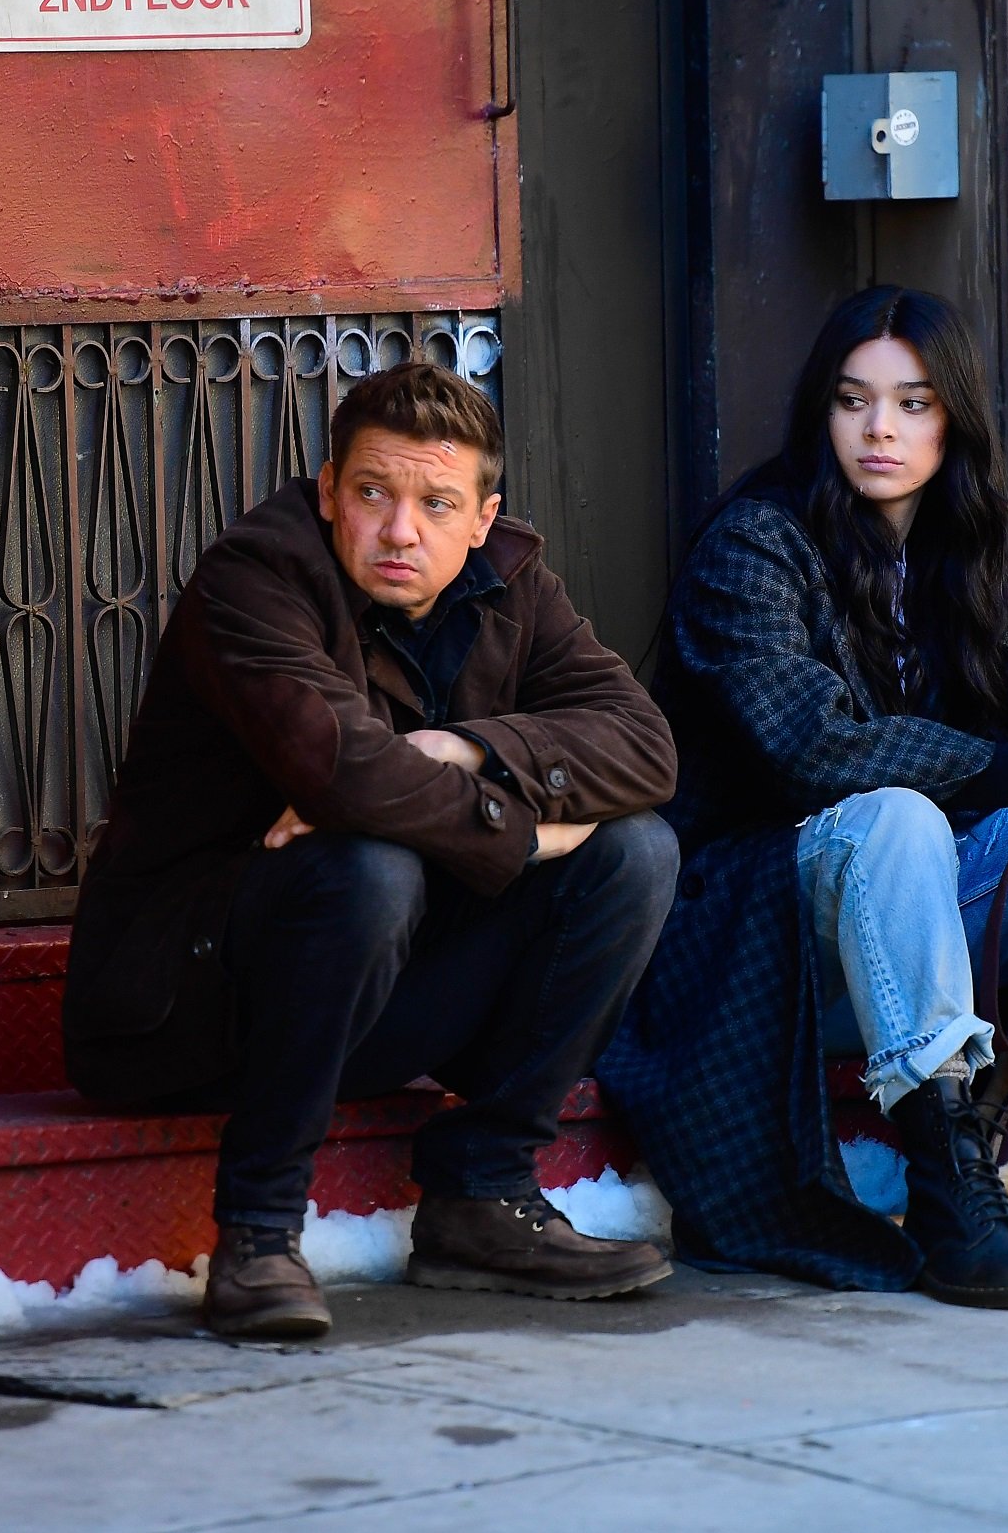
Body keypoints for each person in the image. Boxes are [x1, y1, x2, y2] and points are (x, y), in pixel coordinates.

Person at [64, 362, 681, 1340]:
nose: (401, 529)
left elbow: (645, 747)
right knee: (364, 865)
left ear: (480, 517)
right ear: (326, 492)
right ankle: (259, 1232)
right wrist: (523, 829)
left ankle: (481, 1192)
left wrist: (467, 745)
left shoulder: (512, 581)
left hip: (373, 999)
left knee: (633, 853)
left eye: (436, 503)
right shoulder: (256, 577)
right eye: (371, 494)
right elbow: (343, 774)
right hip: (182, 1009)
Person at [602, 287, 1008, 1309]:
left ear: (955, 421)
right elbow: (812, 749)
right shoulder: (753, 548)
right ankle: (950, 1175)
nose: (879, 429)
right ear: (823, 412)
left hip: (896, 946)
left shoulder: (948, 564)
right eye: (854, 401)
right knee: (899, 812)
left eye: (911, 402)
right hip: (750, 934)